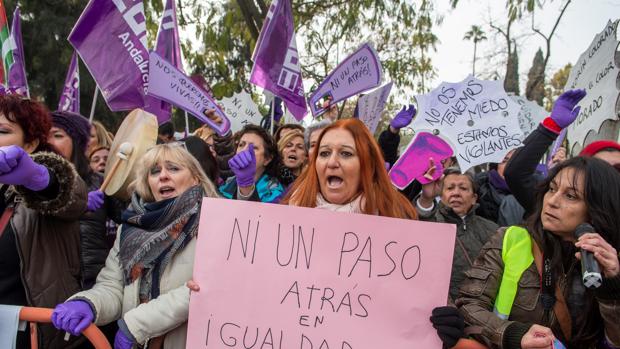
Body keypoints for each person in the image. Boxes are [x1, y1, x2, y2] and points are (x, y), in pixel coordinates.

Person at [51, 143, 221, 349]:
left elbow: (205, 289)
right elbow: (113, 286)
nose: (163, 176)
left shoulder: (214, 224)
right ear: (148, 183)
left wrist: (136, 325)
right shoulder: (130, 228)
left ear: (195, 178)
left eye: (174, 168)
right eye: (155, 171)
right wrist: (89, 303)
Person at [453, 156, 620, 349]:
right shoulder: (511, 239)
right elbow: (468, 306)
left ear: (596, 208)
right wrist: (513, 334)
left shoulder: (610, 261)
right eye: (552, 188)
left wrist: (612, 287)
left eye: (571, 196)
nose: (552, 201)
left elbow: (615, 340)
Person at [0, 95, 87, 349]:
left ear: (30, 144)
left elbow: (73, 195)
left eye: (3, 131)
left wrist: (40, 178)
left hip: (31, 335)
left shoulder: (39, 191)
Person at [282, 118, 417, 219]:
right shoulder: (288, 209)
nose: (332, 162)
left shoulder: (395, 214)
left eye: (346, 153)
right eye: (324, 153)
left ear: (367, 164)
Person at [48, 111, 123, 290]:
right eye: (44, 136)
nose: (49, 142)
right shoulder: (35, 183)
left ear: (78, 142)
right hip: (52, 283)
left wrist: (132, 185)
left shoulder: (99, 181)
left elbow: (126, 216)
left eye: (57, 135)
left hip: (94, 280)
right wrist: (77, 203)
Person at [416, 165, 498, 301]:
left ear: (474, 198)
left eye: (463, 188)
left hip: (482, 308)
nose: (456, 193)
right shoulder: (432, 223)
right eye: (450, 188)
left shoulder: (493, 230)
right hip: (440, 306)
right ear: (441, 195)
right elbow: (420, 223)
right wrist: (426, 198)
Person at [219, 124, 284, 202]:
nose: (244, 150)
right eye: (241, 145)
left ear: (267, 159)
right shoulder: (227, 184)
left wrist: (246, 186)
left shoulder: (274, 192)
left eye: (253, 148)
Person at [475, 150, 526, 226]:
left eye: (515, 161)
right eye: (504, 161)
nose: (509, 166)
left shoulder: (531, 192)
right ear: (496, 166)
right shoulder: (478, 189)